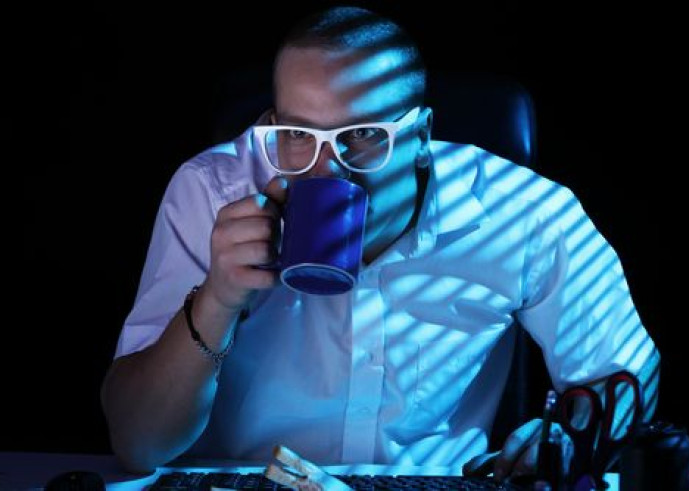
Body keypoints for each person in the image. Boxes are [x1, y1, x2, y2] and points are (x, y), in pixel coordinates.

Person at [101, 5, 660, 480]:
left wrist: (564, 439)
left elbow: (626, 384)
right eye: (298, 135)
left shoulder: (523, 213)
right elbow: (138, 442)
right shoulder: (211, 192)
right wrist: (217, 300)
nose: (325, 170)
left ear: (420, 137)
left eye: (362, 136)